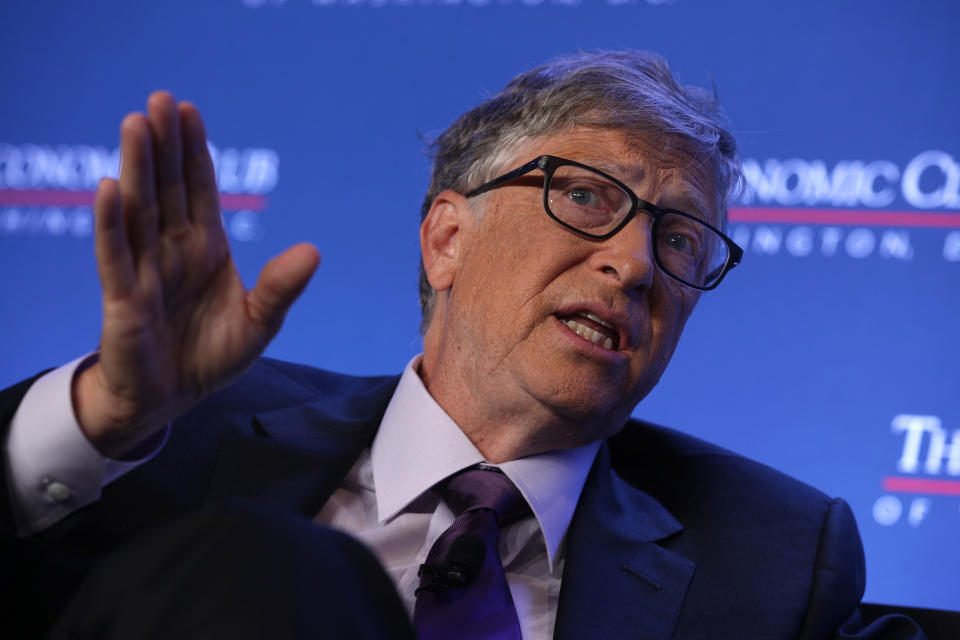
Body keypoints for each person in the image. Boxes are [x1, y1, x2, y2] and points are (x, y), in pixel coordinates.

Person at [0, 50, 925, 639]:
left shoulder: (773, 557)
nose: (636, 264)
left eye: (680, 239)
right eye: (590, 198)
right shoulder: (177, 434)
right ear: (448, 238)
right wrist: (110, 414)